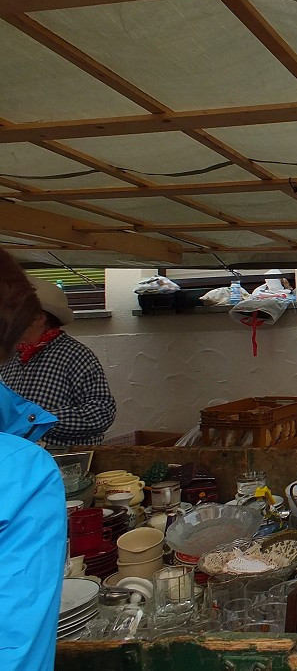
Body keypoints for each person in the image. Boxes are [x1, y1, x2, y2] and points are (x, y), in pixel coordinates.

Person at [0, 249, 67, 670]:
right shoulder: (23, 475)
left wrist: (55, 425)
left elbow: (103, 410)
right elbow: (17, 650)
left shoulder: (74, 355)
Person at [1, 277, 115, 446]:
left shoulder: (77, 356)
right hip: (17, 458)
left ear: (38, 319)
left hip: (64, 463)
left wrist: (38, 419)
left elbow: (102, 412)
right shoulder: (9, 356)